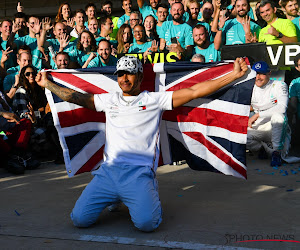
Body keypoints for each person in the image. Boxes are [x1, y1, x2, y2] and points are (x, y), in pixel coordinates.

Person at [35, 55, 247, 231]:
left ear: (139, 76)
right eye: (120, 74)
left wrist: (233, 75)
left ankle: (144, 190)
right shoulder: (109, 100)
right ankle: (116, 197)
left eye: (129, 73)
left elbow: (194, 92)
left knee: (147, 224)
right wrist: (48, 84)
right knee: (79, 220)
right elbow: (76, 98)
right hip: (108, 172)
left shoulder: (154, 100)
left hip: (138, 174)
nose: (124, 78)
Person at [247, 61, 289, 166]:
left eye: (262, 73)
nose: (258, 77)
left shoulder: (279, 85)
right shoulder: (249, 88)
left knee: (279, 117)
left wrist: (258, 115)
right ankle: (263, 149)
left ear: (269, 74)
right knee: (240, 135)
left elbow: (282, 108)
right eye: (256, 73)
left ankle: (276, 153)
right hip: (260, 127)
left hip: (277, 129)